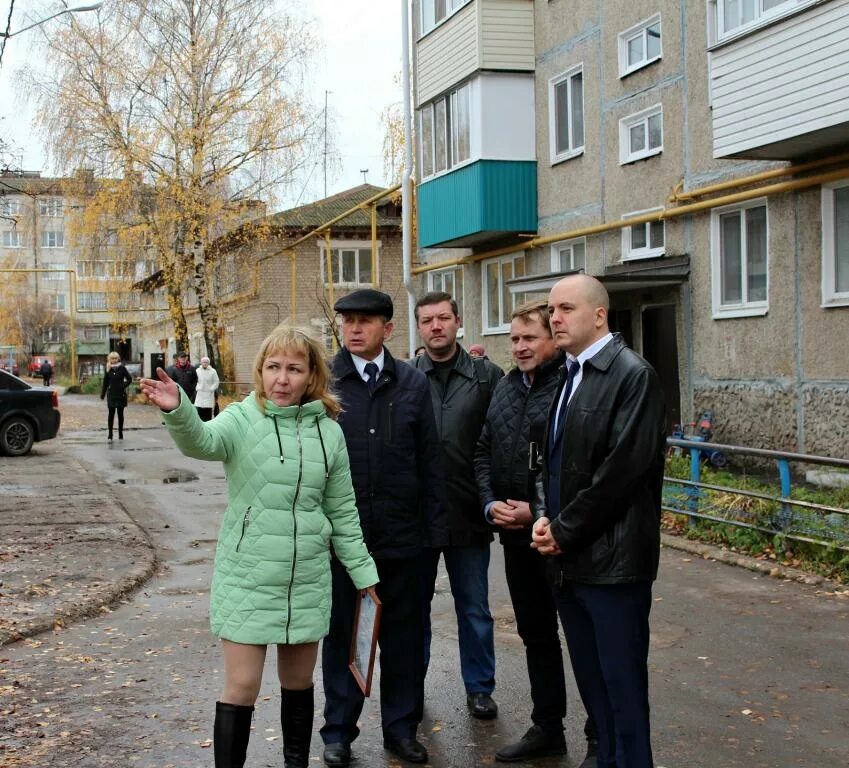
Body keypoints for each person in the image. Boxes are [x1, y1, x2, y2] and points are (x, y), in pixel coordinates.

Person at [139, 327, 379, 768]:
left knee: (299, 683)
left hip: (305, 578)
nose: (281, 379)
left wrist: (366, 577)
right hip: (247, 576)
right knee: (242, 686)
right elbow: (203, 442)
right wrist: (180, 410)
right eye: (273, 367)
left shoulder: (329, 432)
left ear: (311, 376)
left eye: (293, 369)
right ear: (260, 371)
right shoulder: (242, 417)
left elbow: (343, 514)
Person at [531, 275, 666, 768]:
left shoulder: (634, 376)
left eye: (566, 308)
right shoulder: (570, 373)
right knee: (595, 692)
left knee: (622, 690)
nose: (555, 318)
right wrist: (545, 517)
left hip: (614, 566)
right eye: (551, 309)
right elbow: (550, 459)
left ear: (600, 315)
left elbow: (621, 474)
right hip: (571, 564)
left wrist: (562, 532)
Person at [321, 289, 445, 767]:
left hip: (404, 541)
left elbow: (430, 463)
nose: (354, 329)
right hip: (345, 544)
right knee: (343, 639)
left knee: (404, 640)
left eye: (365, 322)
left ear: (387, 329)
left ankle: (400, 729)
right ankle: (338, 732)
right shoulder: (327, 383)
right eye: (348, 321)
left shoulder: (411, 384)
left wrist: (434, 538)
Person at [475, 300, 598, 765]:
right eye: (515, 339)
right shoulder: (506, 387)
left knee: (583, 637)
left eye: (530, 338)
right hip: (515, 538)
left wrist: (538, 511)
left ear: (553, 339)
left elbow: (581, 470)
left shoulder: (572, 385)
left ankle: (598, 735)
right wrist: (491, 504)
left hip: (561, 538)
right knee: (536, 634)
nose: (521, 347)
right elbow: (483, 452)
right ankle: (548, 728)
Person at [411, 291, 503, 720]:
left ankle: (480, 687)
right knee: (415, 608)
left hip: (469, 512)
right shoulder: (407, 377)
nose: (435, 327)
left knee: (474, 607)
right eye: (427, 320)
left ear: (457, 321)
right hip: (420, 516)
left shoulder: (487, 377)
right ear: (418, 327)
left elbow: (502, 442)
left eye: (443, 318)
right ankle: (411, 686)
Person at [100, 351, 132, 440]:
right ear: (109, 359)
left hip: (120, 394)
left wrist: (123, 385)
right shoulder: (108, 369)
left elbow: (129, 379)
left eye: (115, 358)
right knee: (111, 414)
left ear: (118, 359)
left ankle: (120, 433)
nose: (113, 360)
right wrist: (103, 394)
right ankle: (110, 433)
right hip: (111, 395)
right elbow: (105, 382)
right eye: (111, 358)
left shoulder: (122, 368)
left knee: (120, 414)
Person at [195, 356, 221, 422]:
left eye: (206, 362)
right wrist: (197, 387)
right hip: (200, 393)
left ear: (208, 363)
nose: (205, 363)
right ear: (201, 363)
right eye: (204, 362)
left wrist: (212, 388)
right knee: (199, 410)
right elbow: (193, 380)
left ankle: (208, 424)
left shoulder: (213, 371)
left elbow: (216, 381)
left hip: (209, 394)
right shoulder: (197, 371)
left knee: (208, 411)